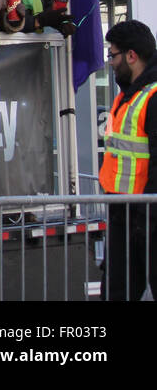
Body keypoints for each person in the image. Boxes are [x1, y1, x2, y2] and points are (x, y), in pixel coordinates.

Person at [101, 20, 157, 300]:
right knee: (117, 291)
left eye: (113, 55)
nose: (110, 62)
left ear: (131, 56)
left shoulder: (152, 97)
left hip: (147, 215)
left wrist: (147, 214)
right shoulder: (128, 96)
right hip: (125, 212)